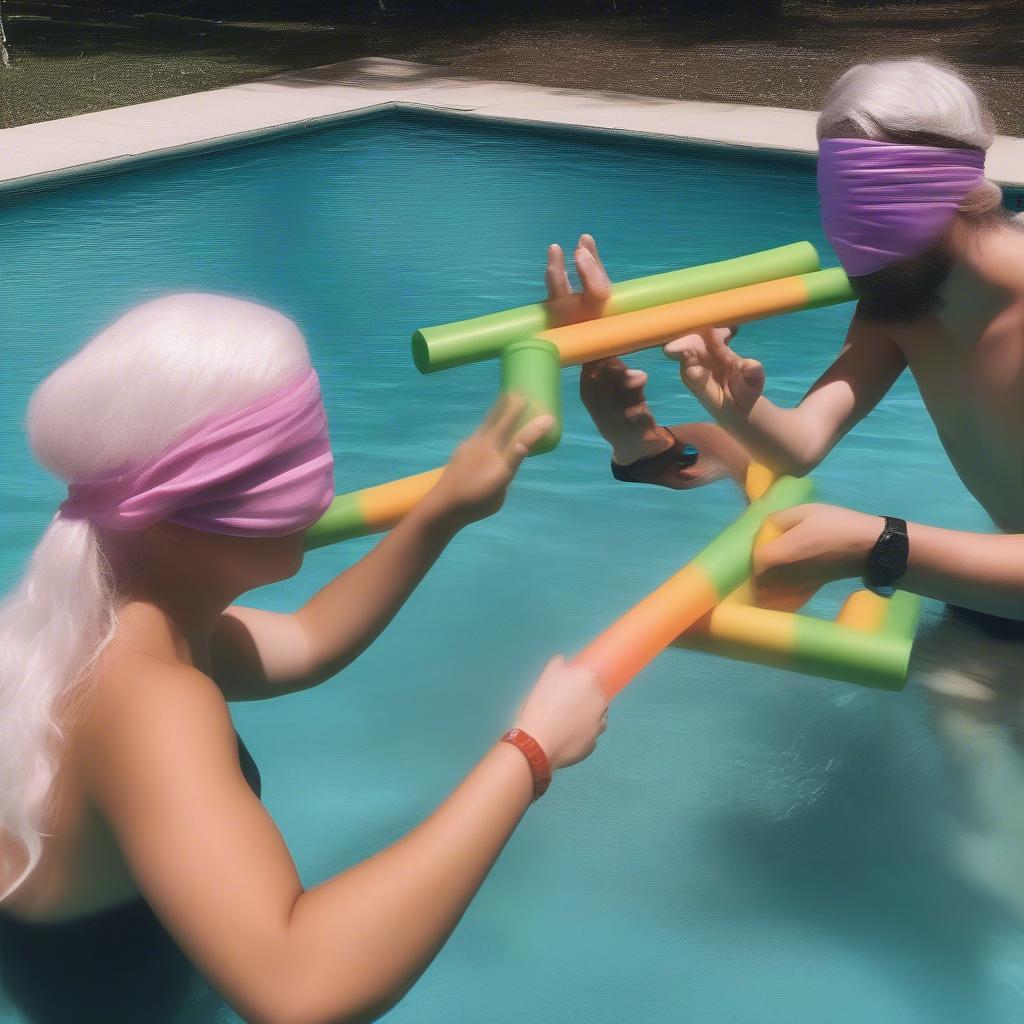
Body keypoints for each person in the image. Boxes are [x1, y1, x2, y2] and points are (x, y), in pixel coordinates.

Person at [0, 293, 608, 1024]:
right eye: (282, 466)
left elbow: (311, 640)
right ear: (171, 515)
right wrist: (530, 753)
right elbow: (298, 988)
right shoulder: (148, 697)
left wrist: (444, 507)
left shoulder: (96, 624)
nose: (320, 485)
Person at [570, 58, 1024, 911]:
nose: (854, 245)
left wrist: (878, 547)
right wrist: (714, 412)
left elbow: (858, 528)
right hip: (1007, 589)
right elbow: (801, 442)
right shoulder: (903, 298)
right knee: (959, 744)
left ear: (957, 192)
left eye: (873, 214)